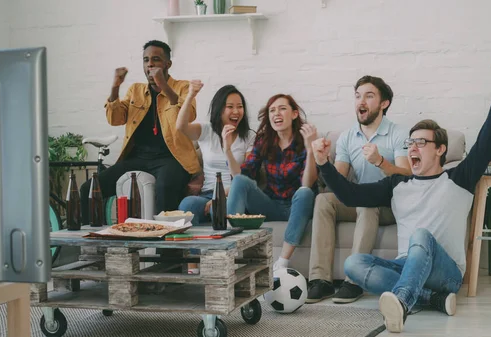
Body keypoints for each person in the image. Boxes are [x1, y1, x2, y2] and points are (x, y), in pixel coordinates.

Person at [311, 56, 491, 333]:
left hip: (447, 272)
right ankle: (431, 300)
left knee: (421, 235)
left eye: (421, 142)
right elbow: (350, 195)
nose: (413, 148)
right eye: (411, 142)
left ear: (440, 149)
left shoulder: (458, 178)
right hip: (407, 267)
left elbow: (488, 140)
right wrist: (323, 164)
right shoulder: (397, 184)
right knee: (354, 263)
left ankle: (403, 302)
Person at [306, 76, 411, 304]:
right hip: (359, 199)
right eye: (357, 96)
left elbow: (406, 175)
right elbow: (339, 180)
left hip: (388, 205)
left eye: (369, 96)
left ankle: (354, 281)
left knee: (367, 203)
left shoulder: (398, 133)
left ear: (384, 103)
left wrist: (380, 161)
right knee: (323, 201)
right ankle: (320, 281)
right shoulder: (347, 137)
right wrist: (322, 161)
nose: (360, 101)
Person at [80, 40, 200, 224]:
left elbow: (189, 114)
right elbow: (115, 119)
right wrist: (115, 87)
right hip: (137, 158)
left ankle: (168, 251)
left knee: (165, 187)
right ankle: (92, 245)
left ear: (168, 64)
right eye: (146, 60)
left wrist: (164, 86)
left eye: (156, 59)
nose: (150, 64)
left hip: (172, 158)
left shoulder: (182, 87)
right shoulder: (136, 90)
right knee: (89, 188)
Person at [227, 94, 318, 271]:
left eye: (282, 108)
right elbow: (243, 176)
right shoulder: (264, 141)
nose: (277, 113)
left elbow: (308, 183)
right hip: (270, 205)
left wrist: (310, 149)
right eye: (272, 110)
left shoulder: (305, 141)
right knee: (239, 180)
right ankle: (231, 250)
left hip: (297, 206)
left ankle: (282, 262)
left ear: (294, 114)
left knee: (305, 192)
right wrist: (227, 150)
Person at [176, 81, 254, 274]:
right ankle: (193, 267)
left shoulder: (249, 137)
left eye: (240, 106)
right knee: (187, 205)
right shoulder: (206, 131)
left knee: (218, 210)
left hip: (232, 195)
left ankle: (218, 267)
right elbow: (180, 126)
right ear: (219, 109)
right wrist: (191, 95)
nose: (236, 111)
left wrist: (228, 149)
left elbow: (242, 178)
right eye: (230, 107)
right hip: (206, 194)